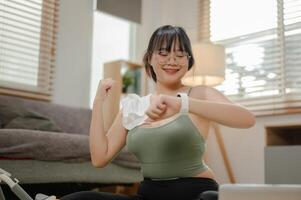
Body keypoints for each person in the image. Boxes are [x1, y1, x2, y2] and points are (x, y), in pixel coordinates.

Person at [61, 25, 255, 200]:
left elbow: (247, 119)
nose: (172, 60)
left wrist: (182, 104)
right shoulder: (134, 106)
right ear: (150, 59)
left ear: (188, 61)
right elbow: (99, 158)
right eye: (163, 53)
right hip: (149, 194)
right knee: (82, 199)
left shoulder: (199, 94)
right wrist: (98, 102)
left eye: (180, 54)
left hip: (196, 193)